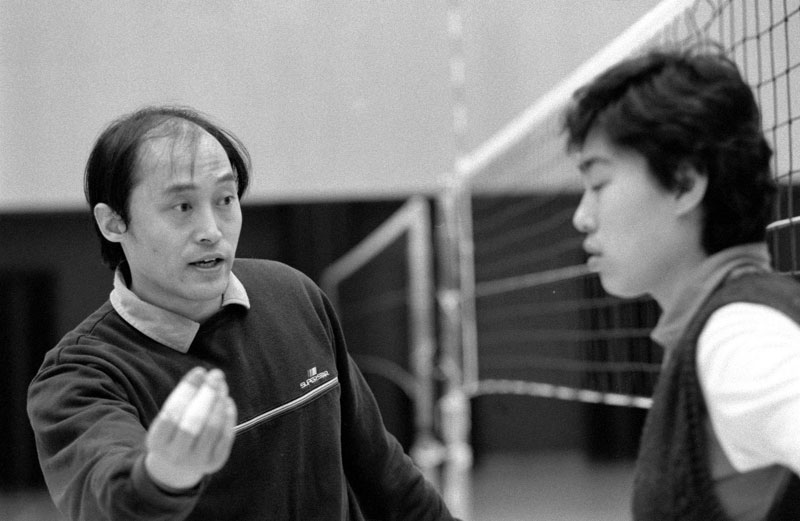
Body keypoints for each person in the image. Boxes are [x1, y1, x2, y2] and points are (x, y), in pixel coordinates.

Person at [27, 106, 458, 521]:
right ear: (113, 222)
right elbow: (108, 503)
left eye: (226, 199)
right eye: (182, 207)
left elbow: (385, 474)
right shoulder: (79, 378)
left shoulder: (294, 295)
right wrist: (163, 477)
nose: (212, 231)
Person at [564, 45, 800, 520]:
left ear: (684, 184)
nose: (581, 217)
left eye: (600, 183)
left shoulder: (739, 340)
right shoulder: (717, 327)